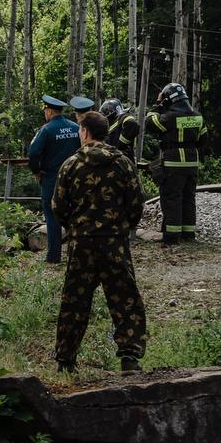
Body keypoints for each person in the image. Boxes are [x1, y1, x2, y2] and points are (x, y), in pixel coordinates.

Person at [52, 111, 147, 373]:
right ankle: (130, 358)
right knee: (125, 299)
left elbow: (58, 206)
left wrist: (75, 226)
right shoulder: (123, 164)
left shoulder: (71, 165)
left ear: (84, 132)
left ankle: (65, 362)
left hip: (81, 244)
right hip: (114, 243)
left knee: (74, 302)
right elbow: (137, 204)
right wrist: (121, 226)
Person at [146, 82, 206, 244]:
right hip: (192, 164)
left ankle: (172, 237)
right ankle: (188, 234)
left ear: (168, 99)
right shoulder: (197, 115)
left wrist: (157, 104)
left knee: (172, 199)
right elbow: (203, 140)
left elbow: (150, 122)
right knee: (188, 198)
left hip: (173, 164)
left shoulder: (169, 117)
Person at [27, 95, 80, 264]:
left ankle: (54, 256)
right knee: (74, 214)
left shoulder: (46, 129)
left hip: (52, 179)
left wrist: (37, 171)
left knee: (52, 216)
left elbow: (33, 152)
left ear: (49, 111)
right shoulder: (75, 127)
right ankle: (76, 254)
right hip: (74, 178)